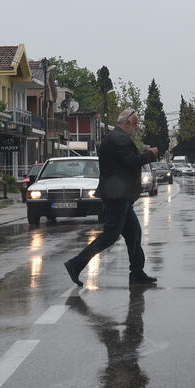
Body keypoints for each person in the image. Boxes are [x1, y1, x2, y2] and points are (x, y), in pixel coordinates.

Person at [64, 108, 158, 286]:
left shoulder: (115, 137)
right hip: (117, 196)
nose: (136, 128)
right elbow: (132, 161)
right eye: (135, 124)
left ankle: (137, 273)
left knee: (134, 233)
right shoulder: (119, 139)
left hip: (120, 195)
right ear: (127, 123)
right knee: (110, 235)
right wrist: (150, 154)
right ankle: (75, 264)